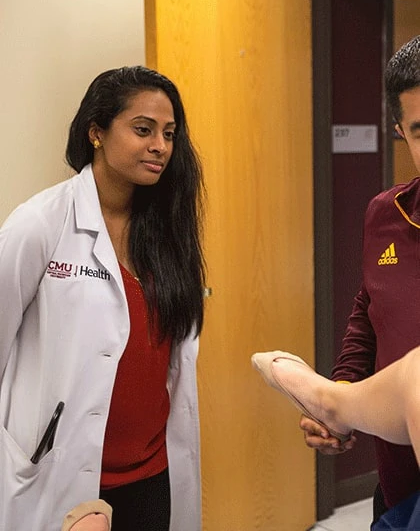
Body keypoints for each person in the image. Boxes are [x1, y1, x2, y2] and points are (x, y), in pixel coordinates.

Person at [0, 65, 205, 531]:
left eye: (169, 134)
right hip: (59, 477)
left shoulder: (170, 235)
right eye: (143, 129)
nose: (160, 146)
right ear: (96, 131)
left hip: (153, 475)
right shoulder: (39, 226)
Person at [299, 34, 420, 522]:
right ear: (400, 131)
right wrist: (342, 394)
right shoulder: (384, 215)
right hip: (397, 488)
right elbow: (368, 318)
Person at [251, 348, 420, 530]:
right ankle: (334, 404)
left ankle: (330, 403)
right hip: (399, 487)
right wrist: (345, 383)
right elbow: (372, 325)